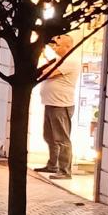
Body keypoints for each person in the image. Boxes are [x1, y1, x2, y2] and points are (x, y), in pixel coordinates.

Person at [37, 34, 82, 179]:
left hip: (61, 104)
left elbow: (47, 73)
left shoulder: (71, 61)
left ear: (68, 46)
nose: (54, 45)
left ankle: (64, 171)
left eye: (58, 43)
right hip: (51, 103)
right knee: (49, 136)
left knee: (62, 139)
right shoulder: (58, 59)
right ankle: (52, 165)